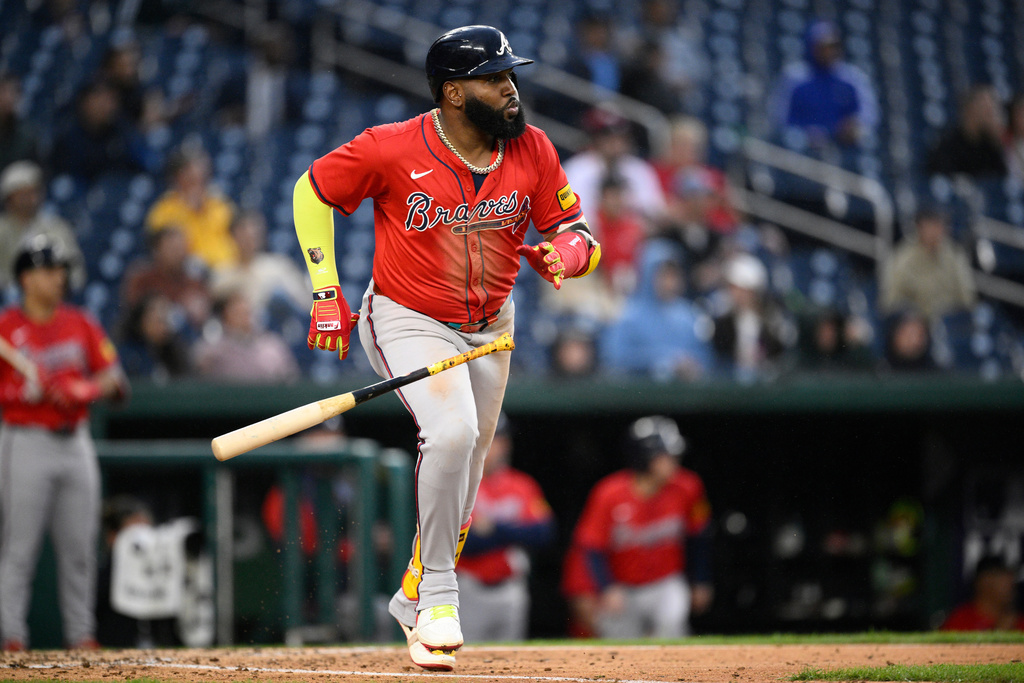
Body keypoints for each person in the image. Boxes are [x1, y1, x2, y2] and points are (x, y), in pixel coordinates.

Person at [291, 25, 601, 671]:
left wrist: (567, 254)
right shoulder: (392, 146)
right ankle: (437, 594)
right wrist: (326, 288)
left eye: (511, 75)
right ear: (455, 92)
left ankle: (411, 599)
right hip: (407, 316)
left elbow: (579, 233)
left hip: (493, 324)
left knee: (468, 466)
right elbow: (310, 191)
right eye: (496, 78)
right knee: (453, 433)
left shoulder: (533, 149)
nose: (511, 89)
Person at [0, 236, 130, 651]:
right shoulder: (7, 330)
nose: (60, 278)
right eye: (50, 270)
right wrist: (24, 394)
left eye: (61, 270)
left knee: (79, 550)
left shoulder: (80, 321)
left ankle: (81, 637)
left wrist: (83, 389)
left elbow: (116, 380)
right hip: (25, 440)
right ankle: (12, 638)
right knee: (19, 548)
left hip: (75, 441)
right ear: (26, 277)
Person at [566, 416, 712, 638]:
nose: (673, 461)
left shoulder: (688, 487)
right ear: (644, 457)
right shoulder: (609, 493)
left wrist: (700, 579)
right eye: (664, 456)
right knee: (622, 647)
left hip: (666, 583)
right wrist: (606, 588)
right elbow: (592, 547)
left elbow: (699, 536)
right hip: (623, 586)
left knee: (672, 630)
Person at [455, 413, 554, 642]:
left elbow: (543, 533)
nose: (492, 446)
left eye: (497, 439)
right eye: (486, 439)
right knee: (465, 658)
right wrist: (513, 532)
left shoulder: (522, 485)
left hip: (511, 588)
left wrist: (496, 529)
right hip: (468, 587)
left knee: (511, 662)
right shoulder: (459, 484)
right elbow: (461, 543)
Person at [600, 240, 714, 382]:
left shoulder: (689, 315)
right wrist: (665, 360)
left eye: (674, 275)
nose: (669, 283)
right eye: (663, 275)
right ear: (648, 274)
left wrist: (689, 364)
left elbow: (705, 355)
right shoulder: (628, 315)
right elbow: (614, 356)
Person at [770, 19, 879, 150]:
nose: (828, 52)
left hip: (842, 142)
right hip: (804, 144)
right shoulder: (795, 78)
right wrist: (807, 133)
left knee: (866, 140)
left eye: (832, 47)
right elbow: (780, 116)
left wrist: (855, 125)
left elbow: (868, 113)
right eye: (822, 47)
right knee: (792, 140)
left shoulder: (852, 77)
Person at [144, 144, 237, 270]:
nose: (197, 178)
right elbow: (160, 251)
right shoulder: (164, 210)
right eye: (190, 174)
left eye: (201, 174)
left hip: (226, 269)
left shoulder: (220, 205)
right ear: (177, 177)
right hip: (187, 272)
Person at [209, 209, 311, 323]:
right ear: (233, 235)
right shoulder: (222, 273)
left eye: (254, 232)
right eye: (244, 231)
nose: (250, 237)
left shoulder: (279, 267)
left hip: (272, 334)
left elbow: (304, 304)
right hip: (234, 335)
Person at [0, 160, 85, 291]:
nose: (31, 199)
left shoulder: (56, 227)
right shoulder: (2, 229)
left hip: (51, 299)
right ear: (9, 199)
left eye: (34, 192)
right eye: (23, 194)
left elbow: (76, 272)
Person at [880, 207, 976, 320]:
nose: (937, 230)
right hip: (917, 324)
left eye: (940, 225)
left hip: (950, 322)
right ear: (919, 228)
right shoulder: (902, 258)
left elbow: (967, 298)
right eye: (932, 225)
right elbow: (891, 301)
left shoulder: (955, 255)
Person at [192, 286, 300, 383]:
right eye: (238, 313)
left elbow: (291, 379)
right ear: (224, 316)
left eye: (247, 312)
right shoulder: (212, 350)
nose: (245, 318)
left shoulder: (272, 345)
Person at [710, 252, 792, 381]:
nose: (736, 294)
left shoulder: (772, 320)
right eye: (733, 288)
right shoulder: (723, 322)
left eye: (741, 289)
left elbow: (781, 352)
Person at [120, 225, 212, 336]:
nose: (179, 253)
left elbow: (206, 316)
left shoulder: (195, 280)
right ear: (157, 250)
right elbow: (133, 314)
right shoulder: (141, 278)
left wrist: (201, 310)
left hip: (185, 342)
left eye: (182, 248)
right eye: (173, 248)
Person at [926, 84, 1008, 179]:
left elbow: (1001, 178)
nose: (992, 115)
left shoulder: (990, 146)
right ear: (970, 109)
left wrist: (997, 140)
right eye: (986, 109)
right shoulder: (948, 145)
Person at [940, 554, 1024, 631]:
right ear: (986, 582)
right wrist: (998, 632)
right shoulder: (961, 620)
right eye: (1005, 577)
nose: (1012, 583)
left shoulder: (1019, 620)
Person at [0, 73, 41, 172]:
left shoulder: (27, 136)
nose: (8, 98)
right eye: (3, 91)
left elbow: (34, 173)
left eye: (13, 92)